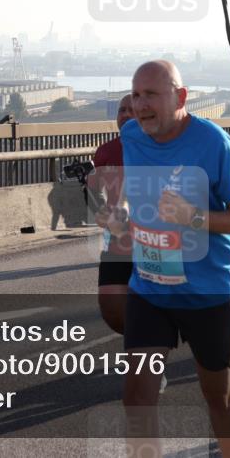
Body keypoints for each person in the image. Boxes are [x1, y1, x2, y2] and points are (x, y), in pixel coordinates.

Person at [98, 60, 230, 458]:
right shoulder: (131, 135)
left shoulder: (213, 143)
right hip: (150, 288)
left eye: (151, 95)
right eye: (136, 95)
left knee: (218, 397)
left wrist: (193, 217)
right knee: (137, 397)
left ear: (181, 97)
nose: (140, 105)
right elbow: (137, 193)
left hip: (206, 292)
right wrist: (121, 217)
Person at [91, 94, 134, 335]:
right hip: (116, 235)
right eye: (121, 110)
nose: (126, 114)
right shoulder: (105, 151)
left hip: (154, 236)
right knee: (113, 307)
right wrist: (100, 211)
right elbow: (94, 190)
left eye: (131, 110)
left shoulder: (161, 148)